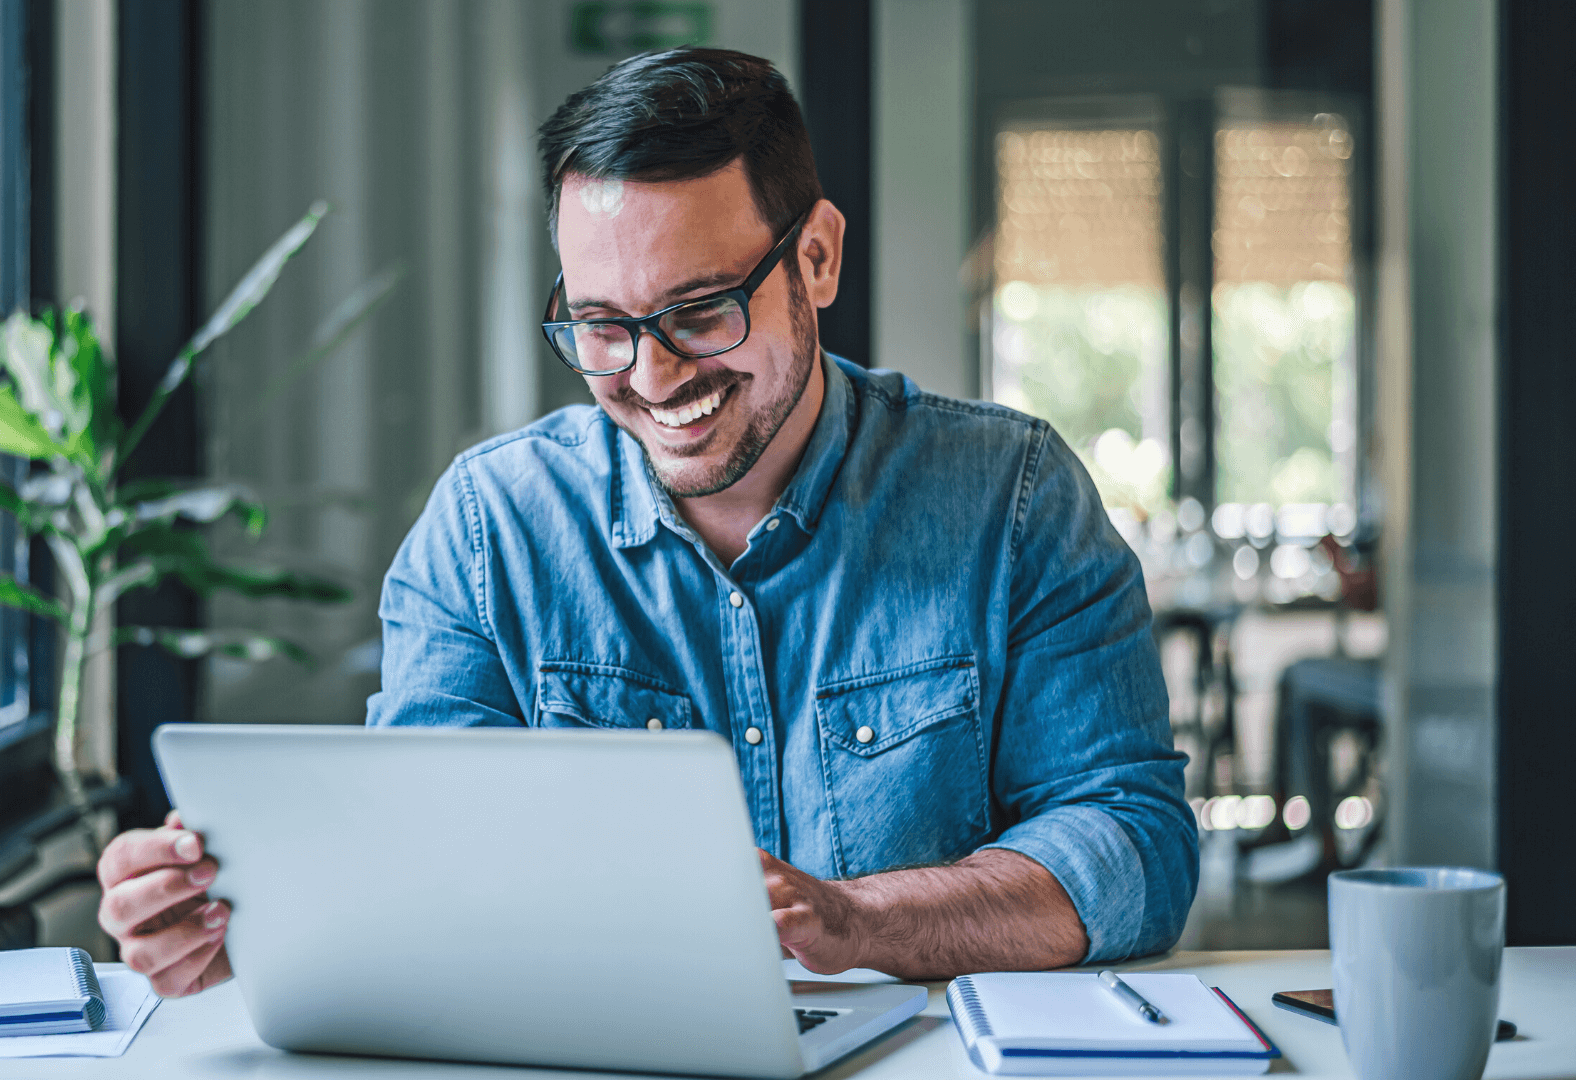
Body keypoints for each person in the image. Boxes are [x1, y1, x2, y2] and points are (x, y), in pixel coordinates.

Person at [97, 47, 1197, 999]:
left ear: (815, 258)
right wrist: (246, 926)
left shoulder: (1011, 499)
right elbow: (425, 869)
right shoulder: (490, 535)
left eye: (699, 311)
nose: (651, 372)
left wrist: (854, 921)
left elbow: (1133, 846)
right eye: (600, 326)